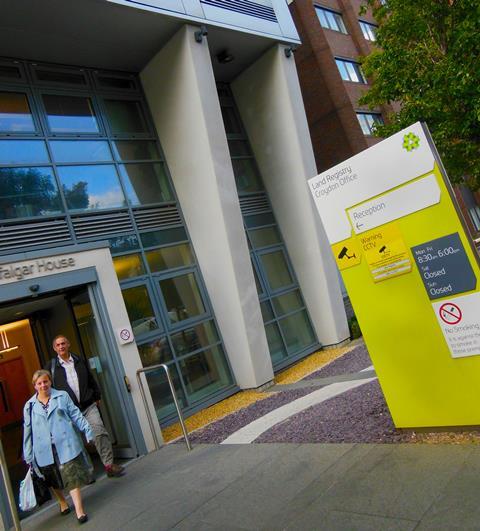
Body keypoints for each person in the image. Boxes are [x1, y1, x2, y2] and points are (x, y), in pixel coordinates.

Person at [48, 335, 125, 478]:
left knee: (99, 432)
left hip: (88, 406)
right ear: (54, 348)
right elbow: (49, 390)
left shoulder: (79, 360)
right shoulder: (52, 367)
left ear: (68, 344)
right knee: (75, 442)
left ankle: (109, 465)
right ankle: (86, 474)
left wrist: (96, 396)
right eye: (58, 345)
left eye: (63, 343)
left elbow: (90, 378)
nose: (61, 347)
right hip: (68, 411)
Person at [23, 369, 94, 524]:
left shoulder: (62, 396)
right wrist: (28, 455)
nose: (43, 385)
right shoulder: (29, 406)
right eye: (39, 383)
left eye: (45, 382)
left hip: (66, 443)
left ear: (50, 382)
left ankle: (79, 511)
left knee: (72, 475)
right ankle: (62, 502)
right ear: (35, 386)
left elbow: (76, 414)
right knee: (52, 478)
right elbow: (27, 433)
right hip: (43, 450)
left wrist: (87, 430)